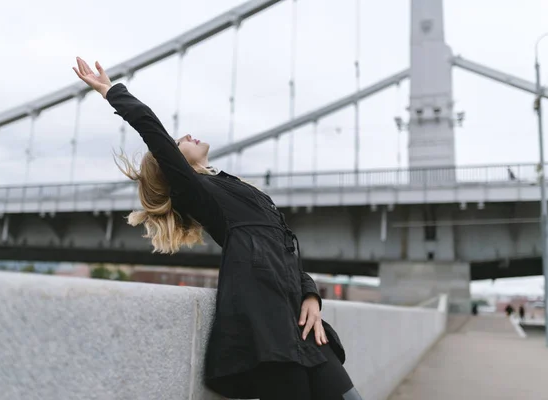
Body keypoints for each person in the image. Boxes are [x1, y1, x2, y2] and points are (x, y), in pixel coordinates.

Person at [73, 57, 362, 400]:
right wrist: (112, 92)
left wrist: (311, 294)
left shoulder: (236, 188)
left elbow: (283, 247)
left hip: (299, 322)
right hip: (265, 329)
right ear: (174, 164)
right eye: (178, 142)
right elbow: (153, 131)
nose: (185, 135)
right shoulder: (196, 194)